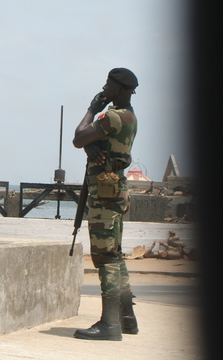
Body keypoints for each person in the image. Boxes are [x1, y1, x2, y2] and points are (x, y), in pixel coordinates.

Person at [72, 67, 139, 341]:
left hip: (104, 195)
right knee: (116, 255)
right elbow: (93, 144)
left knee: (106, 258)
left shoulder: (112, 116)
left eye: (109, 85)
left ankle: (109, 325)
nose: (104, 88)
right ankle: (126, 318)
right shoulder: (129, 117)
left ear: (120, 90)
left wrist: (91, 109)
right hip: (115, 192)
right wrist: (92, 146)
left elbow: (78, 137)